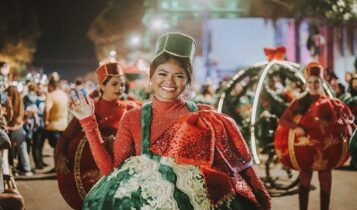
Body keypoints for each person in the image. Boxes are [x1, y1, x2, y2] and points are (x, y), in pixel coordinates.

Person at [69, 32, 271, 209]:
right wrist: (88, 122)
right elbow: (111, 173)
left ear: (188, 79)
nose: (170, 82)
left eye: (179, 76)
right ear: (151, 76)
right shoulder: (133, 118)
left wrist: (264, 200)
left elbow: (241, 167)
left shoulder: (207, 116)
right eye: (163, 74)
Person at [55, 62, 139, 210]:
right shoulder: (88, 107)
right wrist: (60, 155)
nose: (120, 88)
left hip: (117, 172)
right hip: (85, 177)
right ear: (102, 86)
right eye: (114, 84)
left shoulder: (130, 109)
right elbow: (66, 136)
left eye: (122, 85)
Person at [274, 62, 354, 210]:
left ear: (321, 82)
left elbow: (345, 120)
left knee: (325, 181)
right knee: (304, 179)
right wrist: (296, 127)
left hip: (326, 151)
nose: (313, 85)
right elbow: (283, 120)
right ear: (306, 84)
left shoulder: (331, 103)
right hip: (305, 152)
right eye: (309, 82)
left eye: (316, 81)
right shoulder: (299, 102)